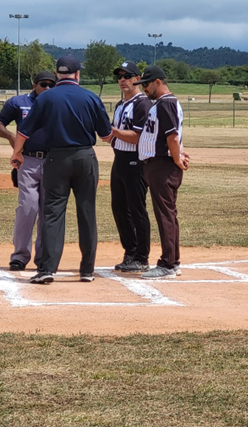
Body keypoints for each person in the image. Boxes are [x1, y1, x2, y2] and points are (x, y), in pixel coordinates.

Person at [12, 56, 112, 284]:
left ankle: (47, 268)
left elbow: (24, 131)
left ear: (57, 75)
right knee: (87, 211)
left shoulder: (46, 97)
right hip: (85, 156)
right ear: (77, 75)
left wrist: (17, 153)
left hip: (56, 158)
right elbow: (106, 135)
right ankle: (87, 270)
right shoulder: (90, 96)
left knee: (53, 212)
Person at [0, 71, 56, 271]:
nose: (47, 88)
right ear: (34, 84)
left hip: (53, 161)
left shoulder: (57, 103)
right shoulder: (19, 103)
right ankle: (19, 256)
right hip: (27, 160)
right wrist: (12, 137)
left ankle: (44, 258)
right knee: (28, 208)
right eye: (43, 84)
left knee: (48, 211)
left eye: (51, 85)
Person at [134, 65, 189, 279]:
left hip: (162, 165)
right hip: (158, 165)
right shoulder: (162, 104)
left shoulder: (166, 103)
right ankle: (172, 262)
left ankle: (167, 264)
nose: (144, 88)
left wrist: (176, 157)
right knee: (168, 214)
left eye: (146, 84)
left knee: (165, 214)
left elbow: (172, 136)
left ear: (158, 82)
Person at [102, 61, 152, 273]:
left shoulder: (142, 104)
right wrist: (112, 138)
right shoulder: (120, 105)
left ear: (137, 79)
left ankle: (141, 256)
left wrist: (111, 131)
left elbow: (138, 137)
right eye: (119, 77)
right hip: (120, 159)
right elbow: (120, 134)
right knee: (119, 208)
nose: (122, 80)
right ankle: (130, 251)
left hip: (136, 161)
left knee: (136, 208)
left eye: (127, 76)